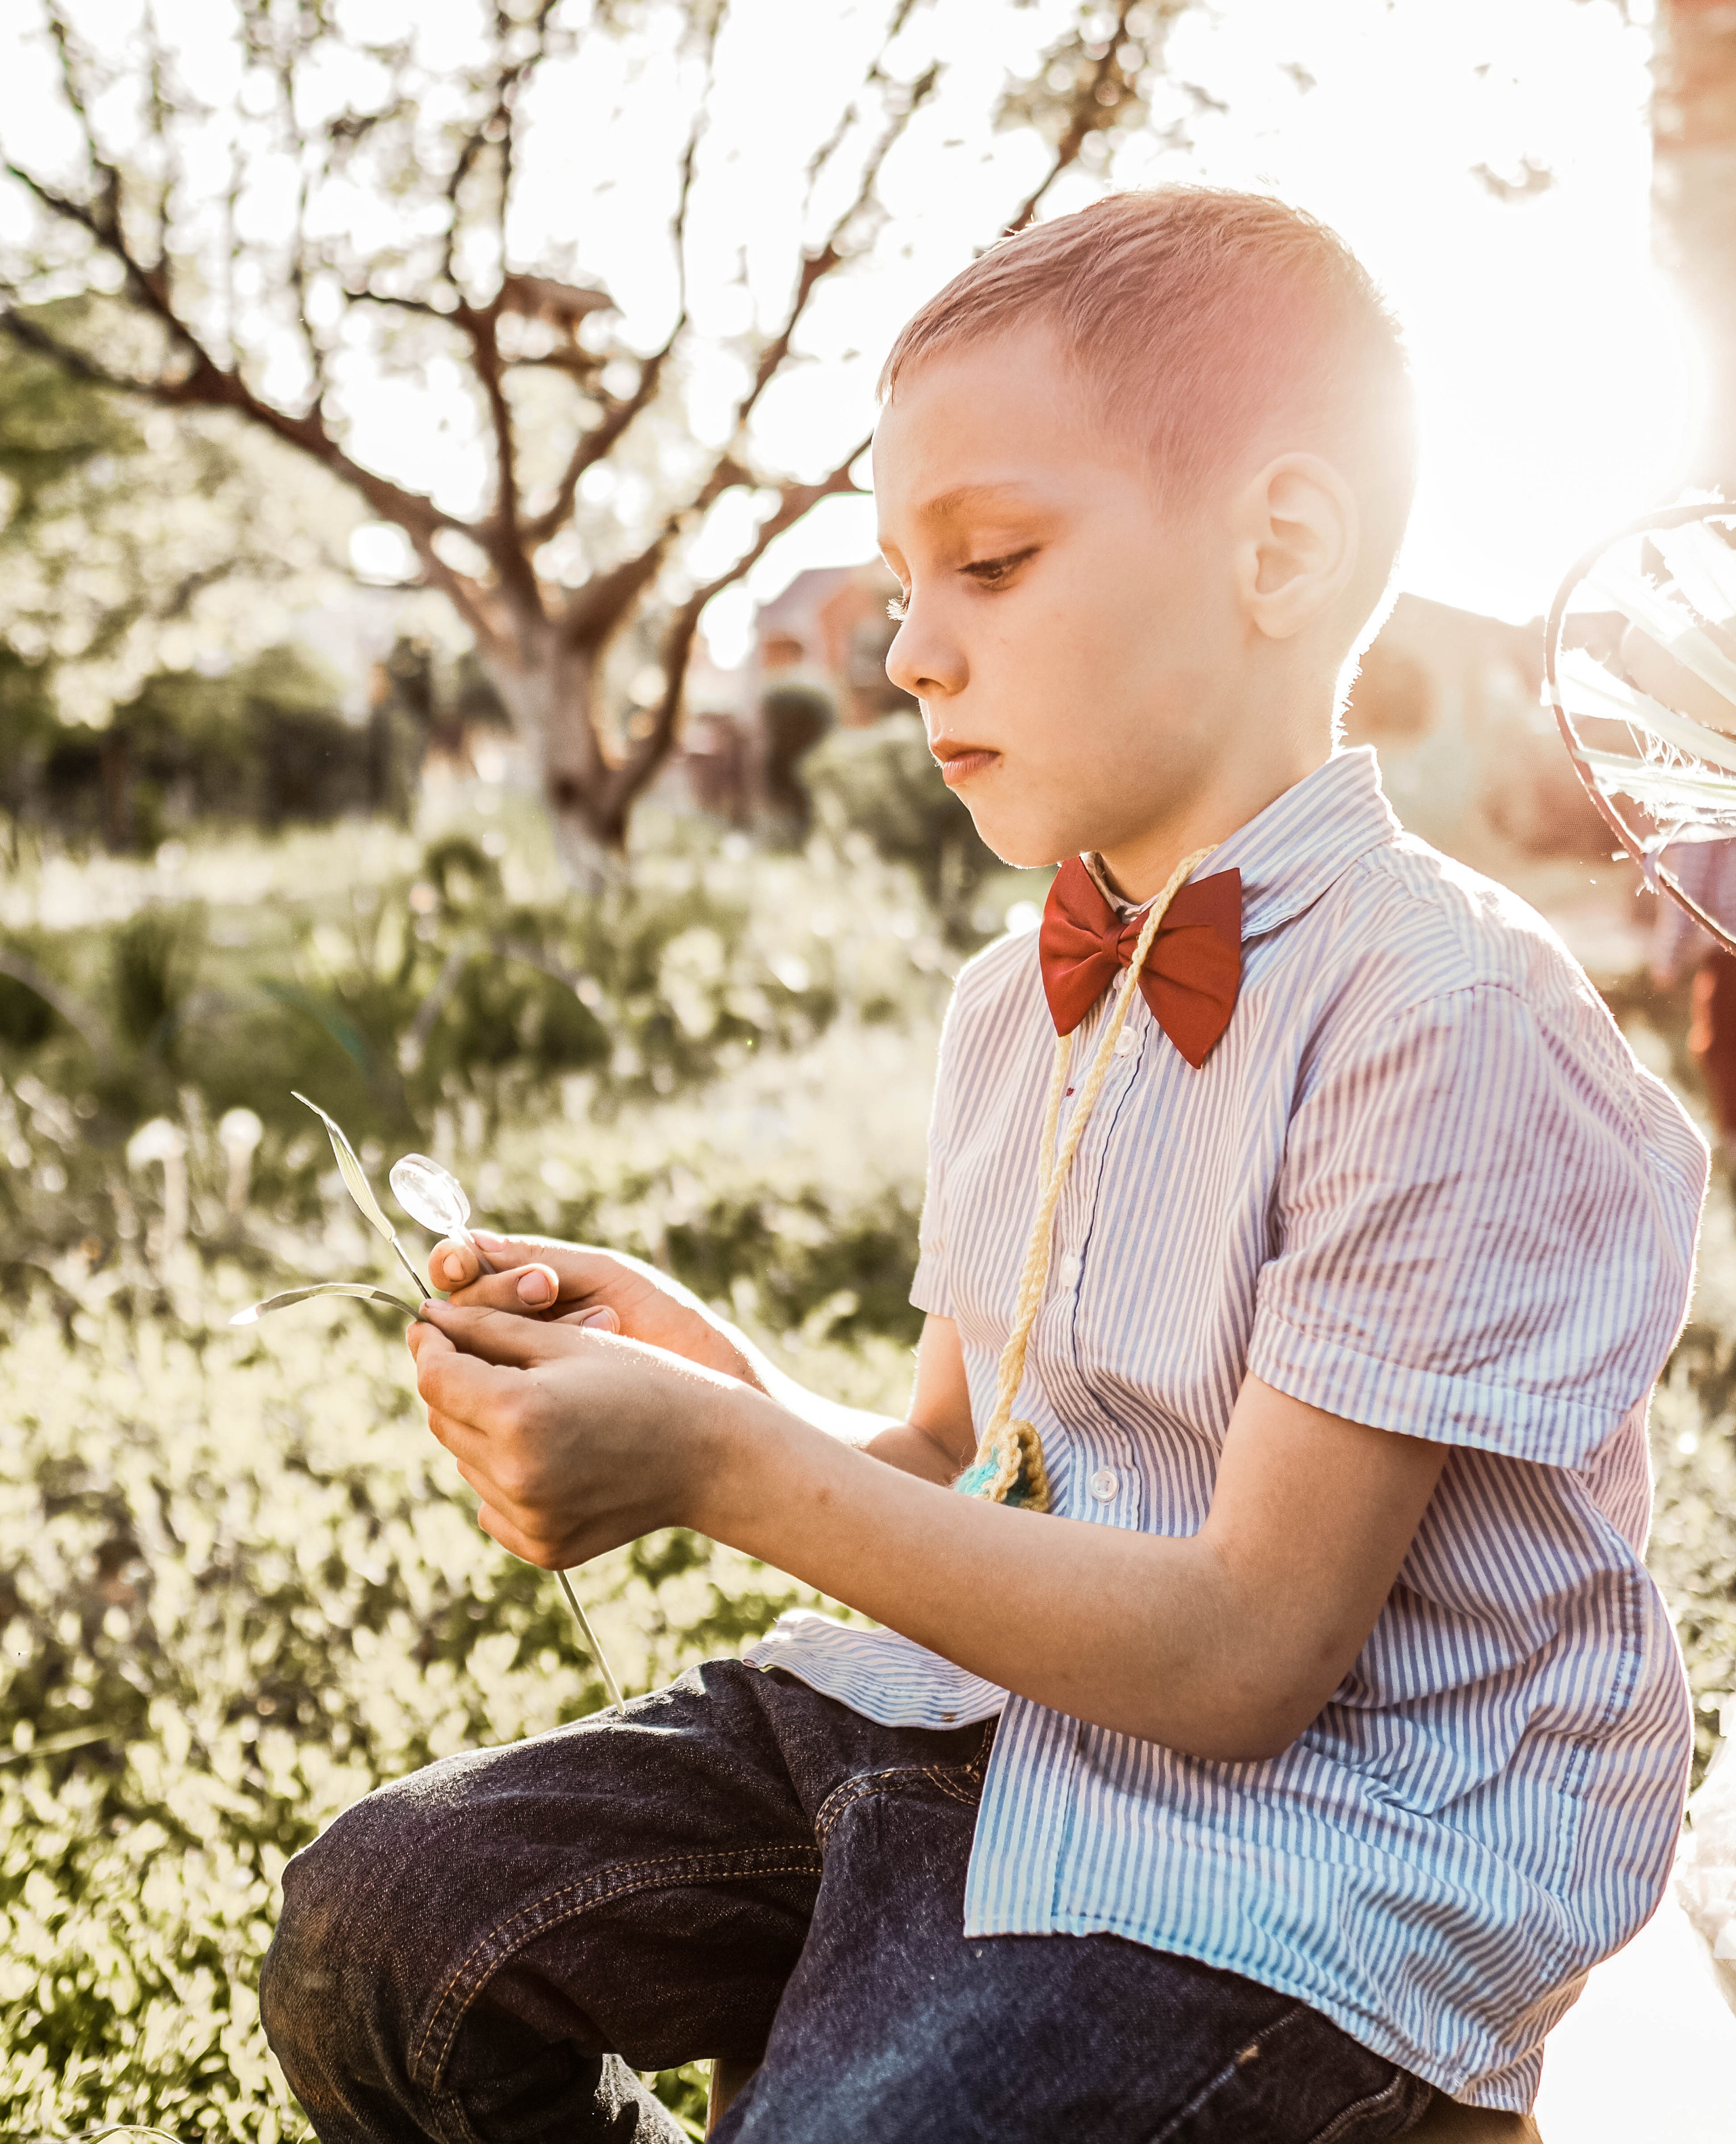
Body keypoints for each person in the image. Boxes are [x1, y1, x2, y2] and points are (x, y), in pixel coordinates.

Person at [260, 190, 1706, 2142]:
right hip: (978, 1718)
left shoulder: (1444, 1018)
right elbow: (964, 1452)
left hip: (1307, 1863)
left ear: (1281, 548)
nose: (909, 647)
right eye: (897, 577)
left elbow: (1246, 1653)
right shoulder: (1009, 1005)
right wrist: (724, 1386)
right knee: (383, 1933)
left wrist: (718, 1471)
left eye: (992, 562)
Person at [1650, 834, 1736, 1173]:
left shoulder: (1717, 793)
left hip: (1728, 947)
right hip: (1727, 947)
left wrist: (1669, 955)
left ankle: (1732, 1142)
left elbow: (1690, 877)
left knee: (1725, 1052)